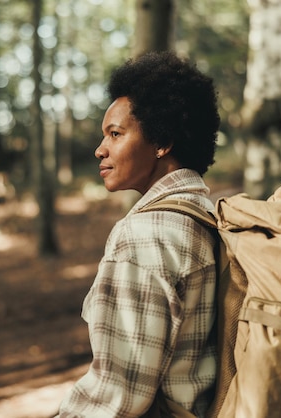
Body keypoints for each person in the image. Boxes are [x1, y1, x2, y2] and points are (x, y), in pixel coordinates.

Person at [57, 51, 221, 417]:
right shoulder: (209, 217)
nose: (100, 149)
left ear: (162, 142)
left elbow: (117, 397)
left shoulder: (143, 236)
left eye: (115, 134)